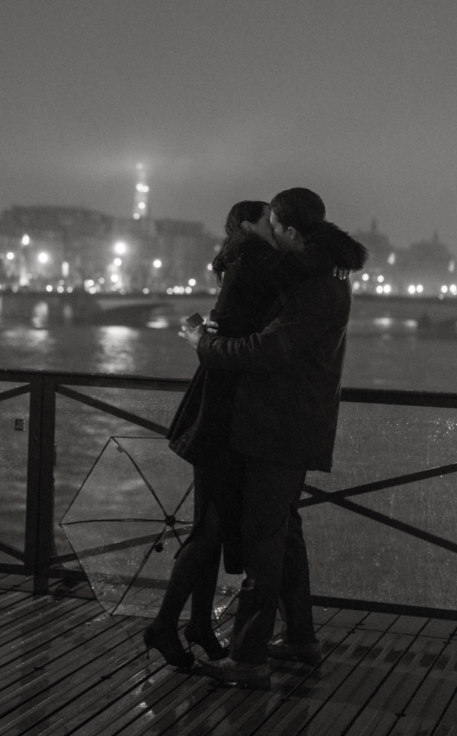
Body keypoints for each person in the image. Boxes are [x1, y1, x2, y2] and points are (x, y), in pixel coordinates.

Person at [180, 187, 366, 688]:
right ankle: (300, 637)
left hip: (280, 427)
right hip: (295, 422)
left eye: (272, 230)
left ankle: (247, 658)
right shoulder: (327, 276)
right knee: (284, 535)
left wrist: (206, 342)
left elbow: (266, 351)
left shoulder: (314, 287)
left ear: (287, 230)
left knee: (263, 544)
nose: (268, 239)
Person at [144, 199, 283, 669]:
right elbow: (224, 339)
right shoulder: (252, 266)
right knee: (212, 528)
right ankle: (166, 625)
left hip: (223, 411)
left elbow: (220, 332)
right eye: (270, 221)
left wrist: (204, 335)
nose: (277, 227)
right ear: (248, 225)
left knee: (213, 524)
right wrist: (205, 338)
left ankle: (197, 624)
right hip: (223, 414)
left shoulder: (241, 264)